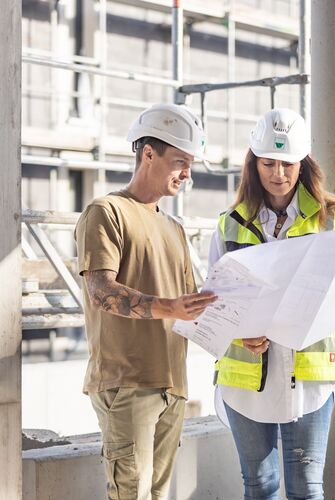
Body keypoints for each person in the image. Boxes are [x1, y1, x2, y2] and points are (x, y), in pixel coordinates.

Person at [208, 108, 335, 500]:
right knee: (260, 487)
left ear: (303, 164)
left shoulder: (332, 220)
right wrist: (240, 333)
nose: (278, 173)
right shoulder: (228, 225)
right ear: (253, 165)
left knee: (307, 488)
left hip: (310, 379)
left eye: (287, 164)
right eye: (268, 163)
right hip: (245, 381)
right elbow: (212, 304)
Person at [74, 103, 217, 500]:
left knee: (155, 496)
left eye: (190, 163)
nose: (187, 174)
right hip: (127, 382)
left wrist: (240, 337)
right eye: (179, 161)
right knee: (131, 495)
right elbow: (101, 291)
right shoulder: (106, 212)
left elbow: (190, 307)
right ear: (148, 153)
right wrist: (167, 308)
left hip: (172, 384)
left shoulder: (174, 227)